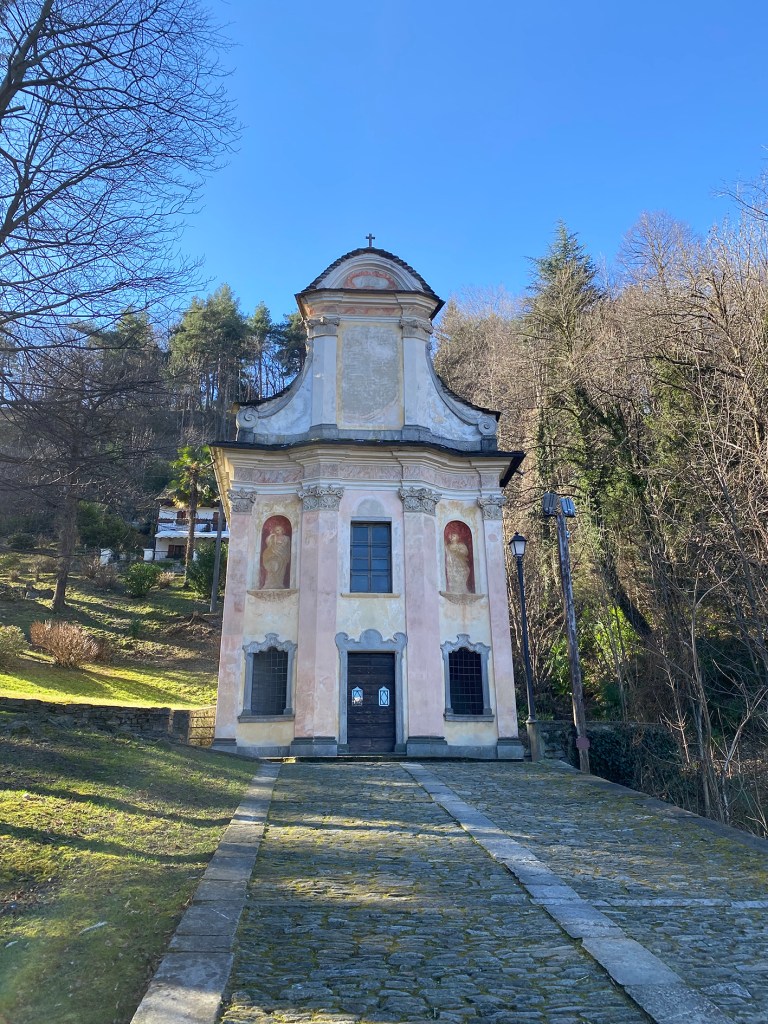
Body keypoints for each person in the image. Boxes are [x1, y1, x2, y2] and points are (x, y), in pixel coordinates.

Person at [261, 522, 290, 588]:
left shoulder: (286, 538)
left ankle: (279, 584)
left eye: (279, 530)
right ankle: (269, 584)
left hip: (283, 556)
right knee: (272, 568)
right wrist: (271, 535)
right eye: (276, 530)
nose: (277, 532)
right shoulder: (273, 537)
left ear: (282, 530)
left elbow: (288, 548)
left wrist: (287, 557)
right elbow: (267, 542)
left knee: (281, 571)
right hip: (273, 555)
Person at [445, 529, 471, 594]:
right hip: (452, 566)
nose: (451, 537)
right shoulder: (448, 546)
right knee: (453, 577)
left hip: (461, 565)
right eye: (450, 536)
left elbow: (465, 552)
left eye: (453, 536)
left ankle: (462, 591)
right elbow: (446, 553)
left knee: (460, 578)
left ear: (458, 537)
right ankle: (453, 590)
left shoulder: (461, 545)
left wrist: (457, 550)